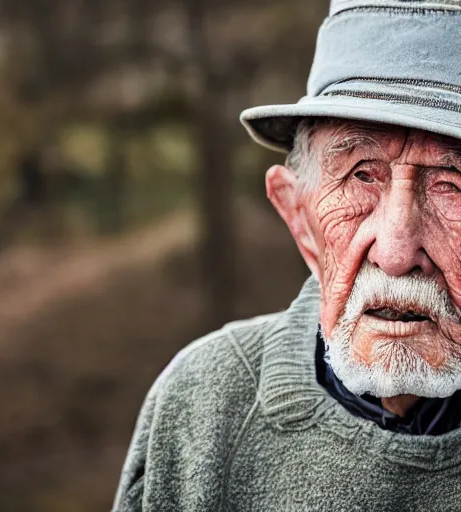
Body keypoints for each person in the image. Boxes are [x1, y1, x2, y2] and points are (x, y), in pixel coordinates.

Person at [112, 1, 461, 510]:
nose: (396, 252)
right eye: (361, 174)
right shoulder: (203, 407)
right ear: (300, 218)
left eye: (452, 186)